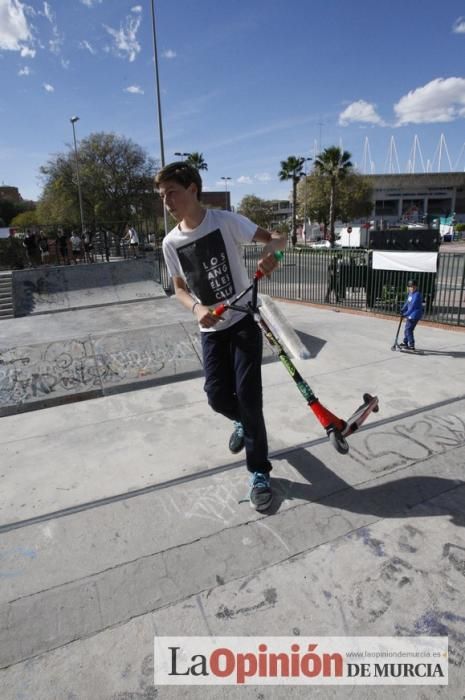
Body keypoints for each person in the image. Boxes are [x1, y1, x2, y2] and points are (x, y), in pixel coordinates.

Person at [156, 161, 286, 512]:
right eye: (163, 195)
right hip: (210, 329)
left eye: (172, 192)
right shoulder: (171, 243)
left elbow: (277, 237)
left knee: (249, 396)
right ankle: (242, 423)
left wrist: (270, 254)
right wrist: (197, 310)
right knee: (216, 397)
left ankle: (259, 472)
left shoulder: (225, 221)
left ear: (193, 189)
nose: (166, 201)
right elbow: (179, 289)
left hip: (243, 321)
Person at [400, 279, 423, 351]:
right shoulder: (411, 294)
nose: (412, 288)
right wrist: (402, 309)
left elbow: (412, 306)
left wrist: (405, 314)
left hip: (414, 315)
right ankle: (405, 342)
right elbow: (407, 302)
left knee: (409, 329)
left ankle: (411, 345)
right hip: (410, 315)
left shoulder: (417, 295)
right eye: (410, 287)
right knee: (407, 329)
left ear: (416, 287)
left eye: (413, 287)